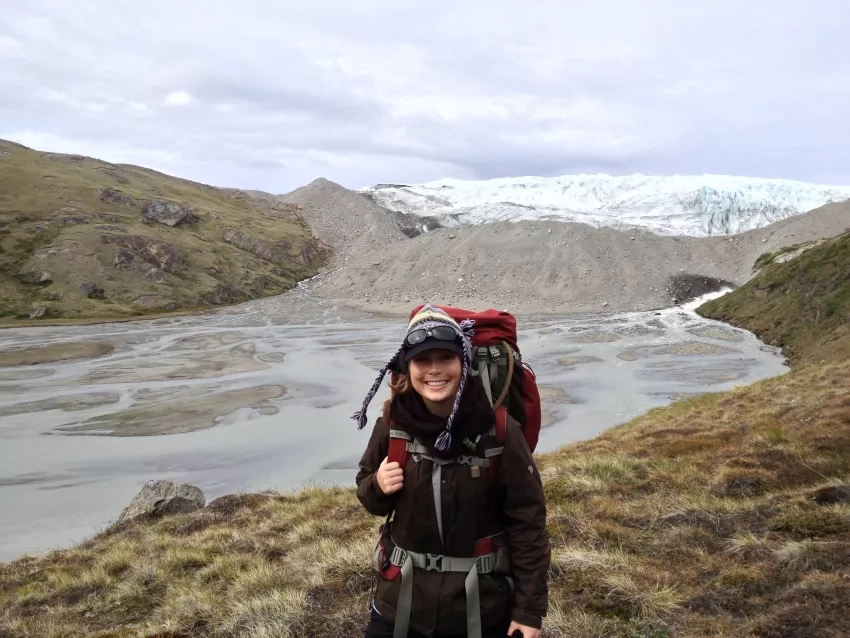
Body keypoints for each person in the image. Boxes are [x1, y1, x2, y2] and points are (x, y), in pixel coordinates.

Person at [352, 305, 550, 638]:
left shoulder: (499, 431)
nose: (434, 370)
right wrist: (377, 485)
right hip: (400, 605)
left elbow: (528, 523)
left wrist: (529, 612)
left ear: (464, 362)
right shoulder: (393, 423)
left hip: (482, 609)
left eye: (445, 357)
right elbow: (367, 494)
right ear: (407, 366)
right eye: (422, 360)